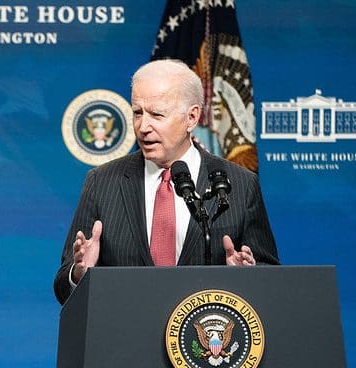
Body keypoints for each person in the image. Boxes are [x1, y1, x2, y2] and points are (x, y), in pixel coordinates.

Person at [53, 60, 279, 304]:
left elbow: (271, 281)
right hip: (124, 336)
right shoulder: (102, 182)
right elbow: (63, 287)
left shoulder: (239, 184)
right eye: (138, 113)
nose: (143, 127)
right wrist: (79, 274)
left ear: (191, 118)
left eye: (156, 115)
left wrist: (249, 277)